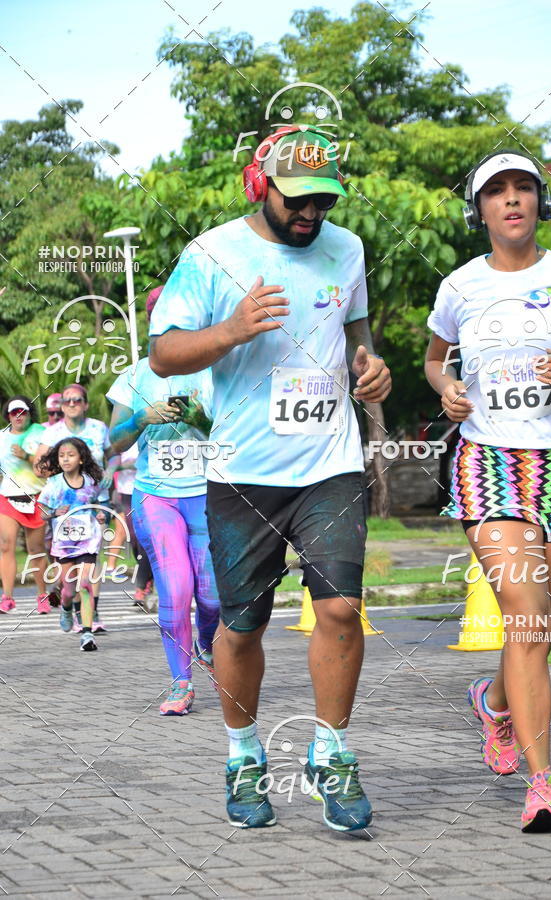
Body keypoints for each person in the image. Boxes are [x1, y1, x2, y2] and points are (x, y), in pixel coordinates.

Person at [150, 127, 391, 830]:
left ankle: (333, 752)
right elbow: (165, 355)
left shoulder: (347, 250)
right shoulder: (213, 254)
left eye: (324, 199)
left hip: (330, 463)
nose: (312, 214)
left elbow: (359, 341)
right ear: (260, 185)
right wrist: (231, 330)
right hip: (244, 470)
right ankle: (243, 755)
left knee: (341, 608)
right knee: (244, 624)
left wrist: (371, 369)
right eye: (298, 200)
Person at [425, 150, 551, 833]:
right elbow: (437, 359)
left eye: (522, 187)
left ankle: (494, 703)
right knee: (525, 614)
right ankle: (544, 785)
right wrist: (448, 391)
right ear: (481, 210)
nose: (512, 199)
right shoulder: (459, 287)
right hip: (489, 460)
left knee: (540, 627)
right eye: (496, 191)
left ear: (538, 201)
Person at [108, 286, 220, 715]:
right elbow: (112, 445)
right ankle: (181, 682)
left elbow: (233, 435)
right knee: (176, 589)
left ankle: (207, 643)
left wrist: (199, 418)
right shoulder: (134, 377)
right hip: (156, 496)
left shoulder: (215, 371)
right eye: (161, 317)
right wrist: (142, 417)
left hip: (208, 494)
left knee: (211, 596)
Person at [35, 384, 117, 633]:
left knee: (91, 561)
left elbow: (113, 454)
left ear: (86, 403)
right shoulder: (52, 433)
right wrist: (63, 475)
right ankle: (70, 605)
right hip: (64, 508)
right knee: (68, 572)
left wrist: (109, 473)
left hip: (93, 500)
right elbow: (39, 467)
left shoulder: (98, 428)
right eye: (67, 401)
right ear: (61, 406)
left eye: (77, 400)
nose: (72, 404)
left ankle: (92, 613)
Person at [38, 438, 108, 651]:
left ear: (81, 459)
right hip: (64, 543)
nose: (66, 459)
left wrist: (101, 513)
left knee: (85, 584)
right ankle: (66, 608)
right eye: (61, 455)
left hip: (88, 540)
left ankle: (87, 633)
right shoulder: (54, 484)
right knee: (68, 589)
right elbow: (41, 510)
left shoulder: (92, 482)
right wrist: (52, 513)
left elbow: (100, 503)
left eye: (70, 455)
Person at [0, 396, 51, 613]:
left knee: (36, 549)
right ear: (8, 416)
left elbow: (47, 467)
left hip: (36, 496)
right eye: (14, 413)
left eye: (22, 412)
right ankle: (7, 597)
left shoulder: (41, 433)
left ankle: (42, 595)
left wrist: (26, 456)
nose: (18, 416)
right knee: (5, 545)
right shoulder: (1, 437)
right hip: (8, 497)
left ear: (29, 413)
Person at [105, 442, 154, 608]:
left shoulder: (149, 426)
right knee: (133, 538)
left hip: (149, 489)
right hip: (126, 490)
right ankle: (149, 577)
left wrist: (129, 464)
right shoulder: (122, 432)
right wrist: (114, 467)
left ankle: (142, 585)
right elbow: (111, 459)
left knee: (146, 539)